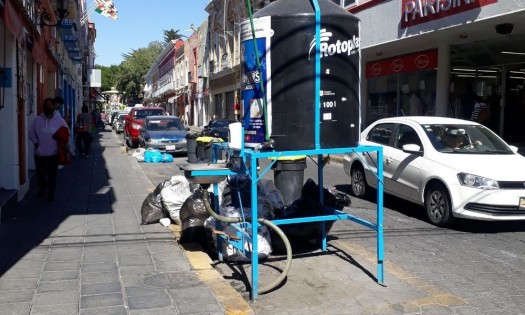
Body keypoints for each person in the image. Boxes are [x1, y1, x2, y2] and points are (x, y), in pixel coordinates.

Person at [29, 98, 69, 202]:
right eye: (46, 105)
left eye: (50, 105)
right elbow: (31, 132)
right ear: (43, 106)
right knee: (40, 174)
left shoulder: (59, 120)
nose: (49, 107)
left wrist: (61, 138)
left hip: (53, 154)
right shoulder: (38, 119)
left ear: (54, 106)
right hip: (39, 154)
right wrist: (35, 142)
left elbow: (66, 131)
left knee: (52, 175)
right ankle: (43, 187)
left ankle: (51, 194)